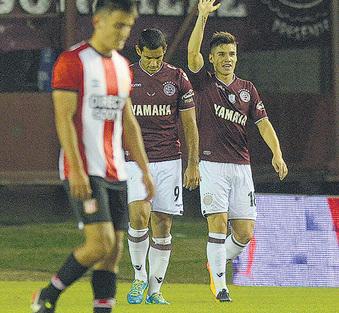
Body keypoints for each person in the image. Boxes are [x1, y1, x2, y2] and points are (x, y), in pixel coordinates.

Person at [31, 0, 156, 312]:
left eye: (128, 26)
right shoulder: (72, 61)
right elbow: (64, 119)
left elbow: (128, 123)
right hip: (86, 168)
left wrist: (145, 169)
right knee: (101, 243)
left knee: (113, 253)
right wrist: (75, 169)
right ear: (98, 21)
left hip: (118, 172)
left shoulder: (122, 67)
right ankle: (48, 294)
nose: (125, 32)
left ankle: (103, 309)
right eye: (119, 25)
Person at [187, 0, 288, 303]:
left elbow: (264, 124)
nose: (228, 58)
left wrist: (277, 153)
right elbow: (192, 53)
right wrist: (202, 17)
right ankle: (221, 286)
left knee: (244, 233)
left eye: (231, 54)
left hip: (240, 166)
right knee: (217, 225)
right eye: (221, 55)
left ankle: (214, 261)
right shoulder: (204, 82)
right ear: (212, 59)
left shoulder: (248, 89)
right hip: (211, 165)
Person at [125, 28, 200, 305]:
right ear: (138, 51)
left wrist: (193, 163)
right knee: (138, 216)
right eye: (150, 57)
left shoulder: (178, 78)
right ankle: (139, 278)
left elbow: (190, 125)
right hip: (135, 159)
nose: (155, 62)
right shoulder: (126, 76)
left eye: (159, 57)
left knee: (163, 224)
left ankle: (155, 292)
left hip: (169, 160)